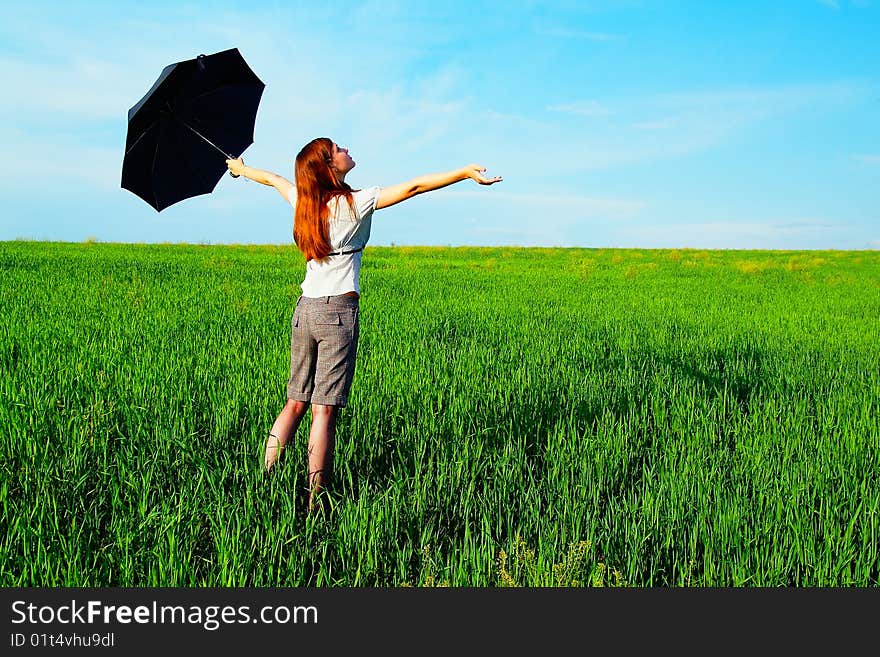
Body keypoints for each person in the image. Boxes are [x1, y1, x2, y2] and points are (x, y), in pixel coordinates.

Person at [226, 138, 502, 513]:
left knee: (294, 403)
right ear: (329, 167)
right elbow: (414, 187)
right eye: (338, 149)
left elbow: (274, 179)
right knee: (324, 411)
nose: (346, 150)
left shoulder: (304, 203)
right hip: (338, 313)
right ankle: (316, 502)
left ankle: (264, 479)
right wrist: (463, 173)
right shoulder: (355, 204)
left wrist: (241, 171)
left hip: (304, 310)